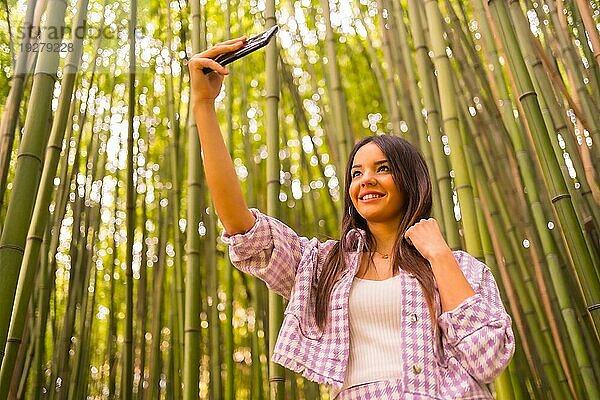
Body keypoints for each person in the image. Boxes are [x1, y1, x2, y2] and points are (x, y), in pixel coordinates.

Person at [188, 37, 515, 399]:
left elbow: (488, 359)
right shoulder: (322, 266)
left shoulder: (464, 271)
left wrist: (439, 255)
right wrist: (203, 105)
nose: (366, 180)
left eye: (383, 168)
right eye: (356, 173)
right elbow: (241, 228)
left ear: (411, 181)